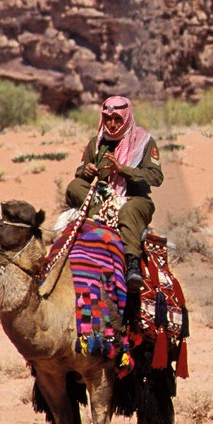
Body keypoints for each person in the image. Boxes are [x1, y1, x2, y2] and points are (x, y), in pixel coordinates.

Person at [65, 95, 163, 291]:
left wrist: (123, 170)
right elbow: (81, 177)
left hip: (135, 200)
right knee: (74, 187)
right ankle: (101, 217)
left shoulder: (144, 142)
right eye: (108, 119)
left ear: (126, 118)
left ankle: (132, 264)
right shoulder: (97, 143)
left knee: (129, 211)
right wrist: (86, 172)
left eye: (117, 119)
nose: (111, 124)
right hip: (103, 199)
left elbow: (155, 177)